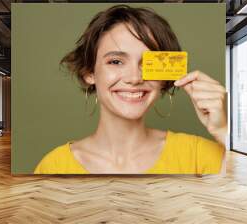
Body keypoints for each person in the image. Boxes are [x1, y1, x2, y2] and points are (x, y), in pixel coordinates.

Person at [34, 5, 227, 174]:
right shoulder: (53, 166)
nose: (135, 78)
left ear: (164, 77)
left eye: (147, 63)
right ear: (89, 72)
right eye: (116, 61)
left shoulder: (199, 156)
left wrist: (222, 132)